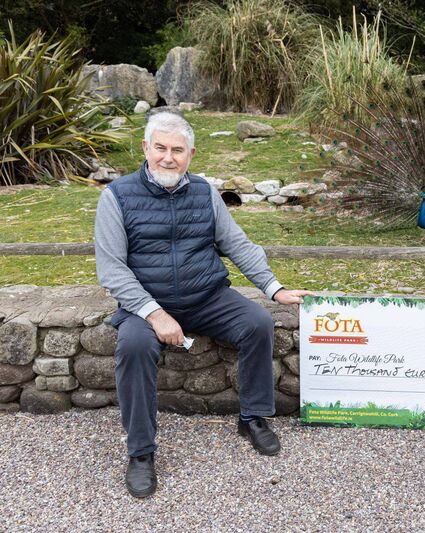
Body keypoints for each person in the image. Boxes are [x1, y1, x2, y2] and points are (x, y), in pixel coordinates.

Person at [94, 112, 313, 498]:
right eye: (160, 147)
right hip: (145, 304)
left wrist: (273, 287)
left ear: (190, 154)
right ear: (145, 148)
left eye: (177, 150)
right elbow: (112, 268)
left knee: (258, 322)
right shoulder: (116, 197)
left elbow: (238, 244)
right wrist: (154, 313)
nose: (168, 157)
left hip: (206, 296)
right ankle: (141, 453)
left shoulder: (205, 193)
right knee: (133, 346)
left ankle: (253, 418)